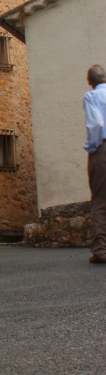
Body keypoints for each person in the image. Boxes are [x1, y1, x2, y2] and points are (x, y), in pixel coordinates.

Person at [83, 64, 106, 263]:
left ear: (89, 80)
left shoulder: (92, 97)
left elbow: (96, 124)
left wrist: (91, 146)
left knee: (100, 201)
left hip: (102, 149)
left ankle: (100, 250)